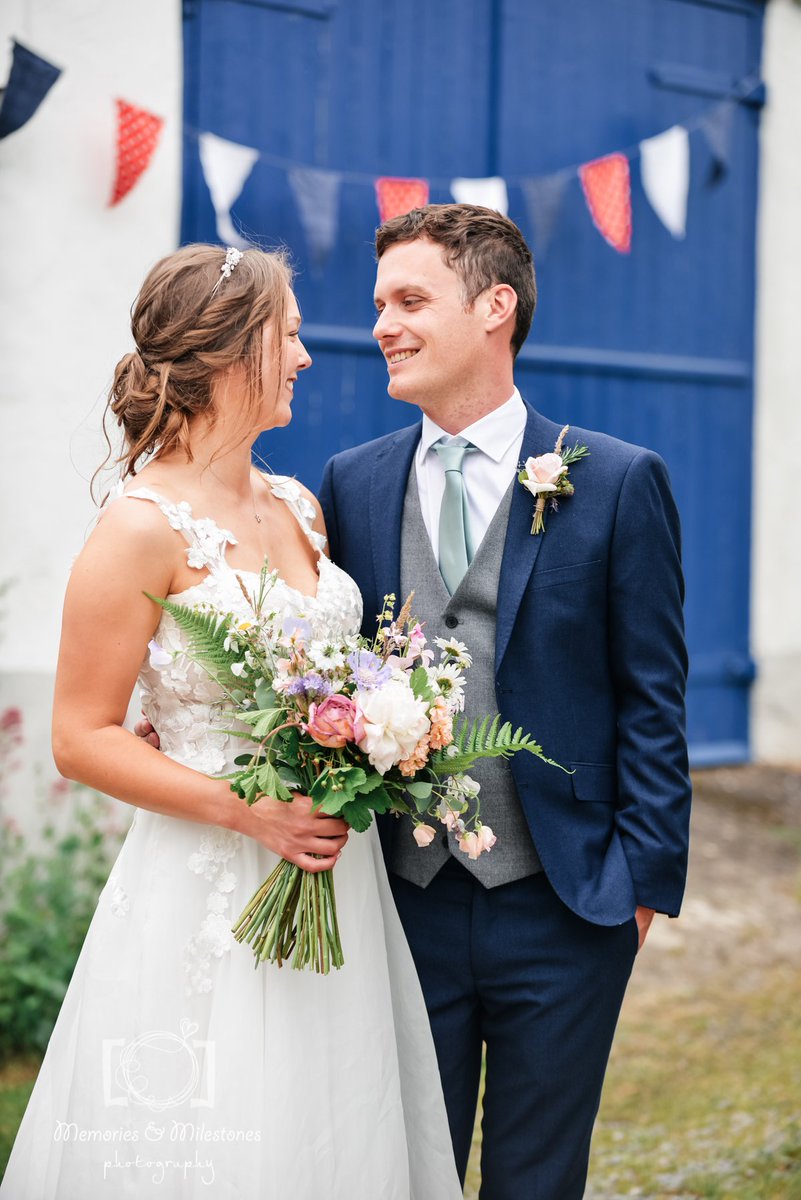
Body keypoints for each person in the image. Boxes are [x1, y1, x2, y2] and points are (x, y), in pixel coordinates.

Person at [0, 244, 461, 1199]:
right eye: (287, 335)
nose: (304, 356)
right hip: (207, 877)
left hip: (331, 872)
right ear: (226, 351)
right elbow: (80, 738)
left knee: (327, 1119)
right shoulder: (138, 526)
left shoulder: (299, 507)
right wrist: (250, 812)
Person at [317, 204, 692, 1199]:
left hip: (564, 904)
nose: (383, 326)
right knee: (403, 1175)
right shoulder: (351, 485)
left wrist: (638, 889)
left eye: (409, 301)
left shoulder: (615, 481)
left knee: (537, 1181)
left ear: (495, 307)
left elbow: (653, 698)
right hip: (403, 902)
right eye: (379, 304)